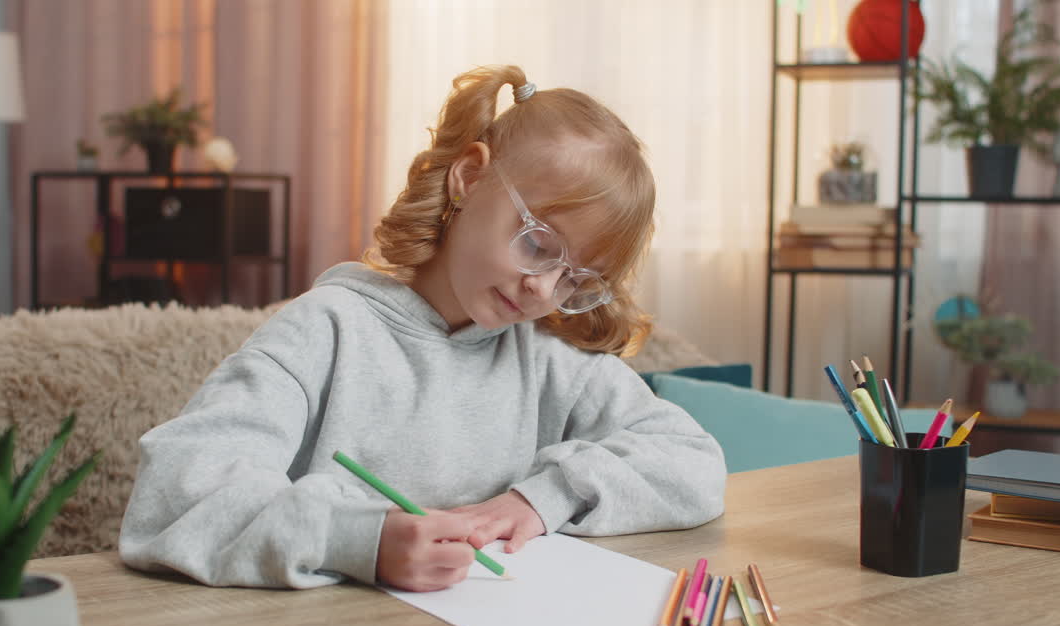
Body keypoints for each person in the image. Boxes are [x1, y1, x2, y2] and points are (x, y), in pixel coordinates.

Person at [119, 65, 726, 593]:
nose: (544, 290)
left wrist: (542, 499)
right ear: (468, 177)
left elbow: (693, 462)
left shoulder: (547, 355)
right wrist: (359, 540)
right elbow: (176, 492)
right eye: (539, 244)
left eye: (576, 280)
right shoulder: (325, 333)